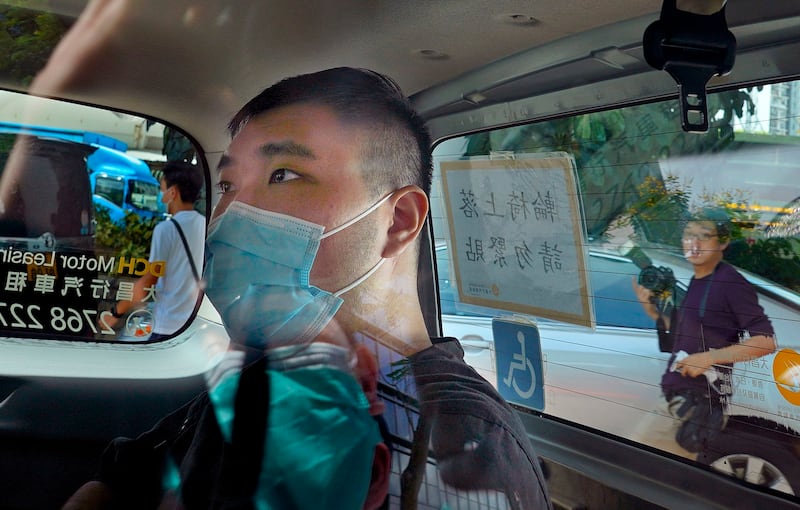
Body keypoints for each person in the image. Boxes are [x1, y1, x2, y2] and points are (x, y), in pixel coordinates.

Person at [62, 67, 552, 509]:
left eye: (284, 175)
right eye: (230, 186)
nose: (229, 219)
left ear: (398, 222)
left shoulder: (456, 444)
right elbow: (128, 471)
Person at [632, 206, 776, 458]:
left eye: (704, 235)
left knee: (635, 466)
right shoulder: (698, 280)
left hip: (693, 405)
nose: (693, 242)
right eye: (688, 234)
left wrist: (708, 358)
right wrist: (654, 313)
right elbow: (682, 342)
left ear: (723, 242)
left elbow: (765, 342)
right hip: (680, 400)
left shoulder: (730, 283)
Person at [106, 160, 205, 341]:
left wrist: (115, 313)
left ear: (173, 192)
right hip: (192, 323)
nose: (161, 196)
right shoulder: (204, 225)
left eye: (162, 189)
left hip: (167, 324)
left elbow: (149, 280)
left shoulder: (167, 229)